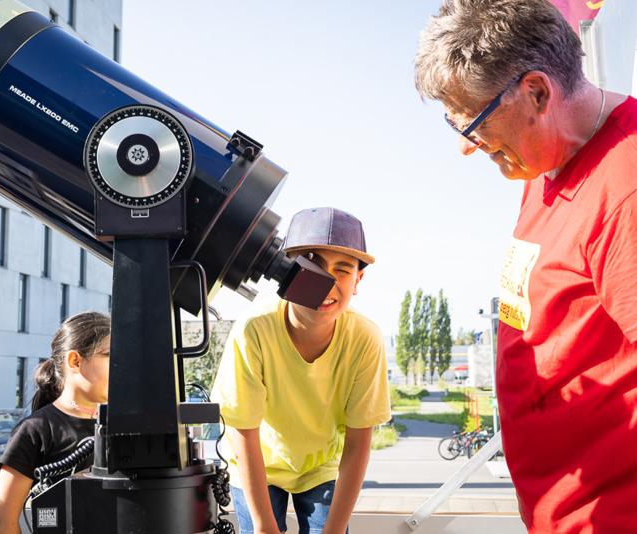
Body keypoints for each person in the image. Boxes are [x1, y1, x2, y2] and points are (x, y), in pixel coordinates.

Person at [414, 1, 637, 530]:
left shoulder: (625, 188)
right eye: (455, 122)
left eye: (474, 120)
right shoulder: (545, 162)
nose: (469, 146)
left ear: (536, 92)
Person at [212, 207, 391, 534]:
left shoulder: (364, 338)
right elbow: (243, 431)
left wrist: (335, 530)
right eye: (312, 265)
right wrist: (266, 527)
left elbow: (358, 441)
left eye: (342, 269)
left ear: (358, 281)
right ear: (285, 272)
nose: (326, 283)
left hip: (319, 467)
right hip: (257, 464)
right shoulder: (254, 330)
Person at [0, 311, 111, 534]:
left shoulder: (124, 424)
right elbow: (3, 521)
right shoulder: (35, 430)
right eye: (110, 355)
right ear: (75, 360)